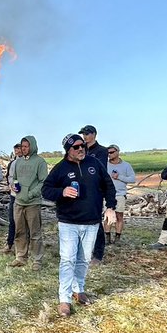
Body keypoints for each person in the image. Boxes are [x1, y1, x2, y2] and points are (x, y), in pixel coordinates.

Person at [43, 133, 117, 316]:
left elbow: (108, 185)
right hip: (69, 222)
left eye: (82, 145)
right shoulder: (60, 168)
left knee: (83, 259)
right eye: (76, 147)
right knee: (68, 259)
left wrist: (111, 207)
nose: (81, 149)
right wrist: (62, 191)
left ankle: (78, 289)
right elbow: (46, 189)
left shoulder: (94, 163)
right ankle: (64, 299)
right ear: (68, 150)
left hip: (91, 221)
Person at [9, 135, 48, 269]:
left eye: (26, 146)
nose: (23, 149)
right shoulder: (18, 162)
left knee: (35, 233)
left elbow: (43, 182)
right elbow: (15, 178)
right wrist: (14, 186)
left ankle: (37, 260)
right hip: (19, 202)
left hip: (32, 203)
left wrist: (31, 194)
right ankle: (21, 257)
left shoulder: (40, 162)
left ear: (32, 146)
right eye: (22, 147)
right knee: (20, 231)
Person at [78, 125, 109, 263]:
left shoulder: (101, 151)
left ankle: (98, 254)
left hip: (95, 190)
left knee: (96, 221)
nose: (85, 136)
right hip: (81, 189)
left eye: (87, 133)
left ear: (94, 135)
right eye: (83, 134)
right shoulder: (80, 149)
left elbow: (98, 169)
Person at [105, 145, 136, 245]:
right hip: (107, 195)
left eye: (112, 152)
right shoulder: (104, 165)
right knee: (107, 216)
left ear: (118, 152)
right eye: (108, 153)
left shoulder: (126, 166)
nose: (109, 154)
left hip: (120, 194)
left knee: (119, 216)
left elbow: (132, 179)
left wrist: (119, 177)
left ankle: (117, 237)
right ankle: (107, 237)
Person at [2, 143, 22, 255]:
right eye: (16, 150)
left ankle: (23, 245)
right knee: (12, 220)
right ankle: (9, 244)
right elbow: (8, 177)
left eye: (19, 149)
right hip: (14, 195)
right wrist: (10, 185)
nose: (17, 152)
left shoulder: (26, 163)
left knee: (23, 222)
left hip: (23, 197)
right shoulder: (12, 164)